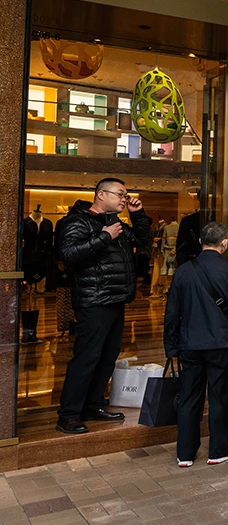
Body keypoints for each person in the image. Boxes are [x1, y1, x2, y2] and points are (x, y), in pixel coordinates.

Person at [55, 178, 151, 434]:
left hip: (116, 298)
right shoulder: (77, 221)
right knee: (86, 358)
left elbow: (142, 240)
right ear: (100, 194)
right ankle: (69, 414)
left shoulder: (115, 222)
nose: (124, 198)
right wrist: (103, 237)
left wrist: (138, 214)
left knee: (107, 357)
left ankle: (94, 404)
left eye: (125, 194)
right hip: (93, 300)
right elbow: (69, 255)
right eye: (120, 194)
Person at [164, 221, 228, 467]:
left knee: (189, 397)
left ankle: (185, 453)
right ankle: (217, 449)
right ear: (225, 243)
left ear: (201, 242)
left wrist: (171, 346)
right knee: (219, 396)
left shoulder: (183, 271)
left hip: (190, 343)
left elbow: (171, 313)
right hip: (222, 343)